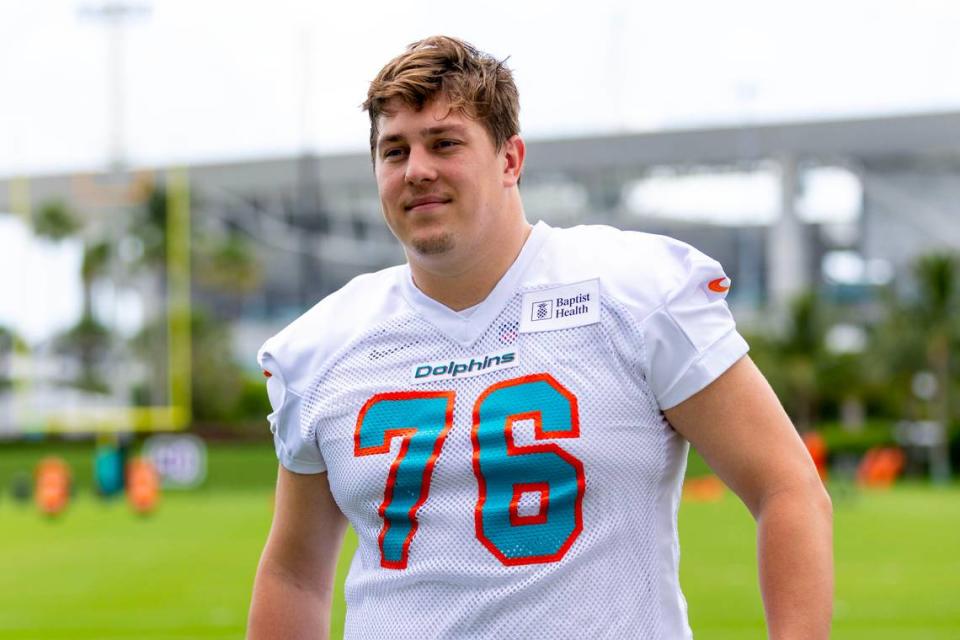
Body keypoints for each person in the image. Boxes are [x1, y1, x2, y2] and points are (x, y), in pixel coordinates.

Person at [247, 35, 833, 639]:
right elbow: (295, 571)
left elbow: (786, 488)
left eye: (444, 143)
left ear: (510, 159)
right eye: (394, 151)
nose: (417, 170)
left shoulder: (635, 293)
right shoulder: (324, 346)